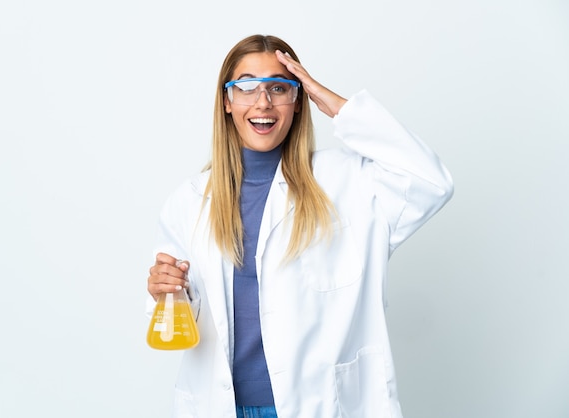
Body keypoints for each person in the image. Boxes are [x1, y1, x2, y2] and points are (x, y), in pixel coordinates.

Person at [146, 34, 453, 418]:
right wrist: (167, 292)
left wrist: (339, 108)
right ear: (226, 101)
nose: (263, 102)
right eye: (246, 87)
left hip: (318, 404)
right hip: (219, 406)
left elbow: (431, 182)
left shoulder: (346, 185)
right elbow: (179, 317)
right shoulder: (189, 202)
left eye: (279, 87)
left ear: (298, 99)